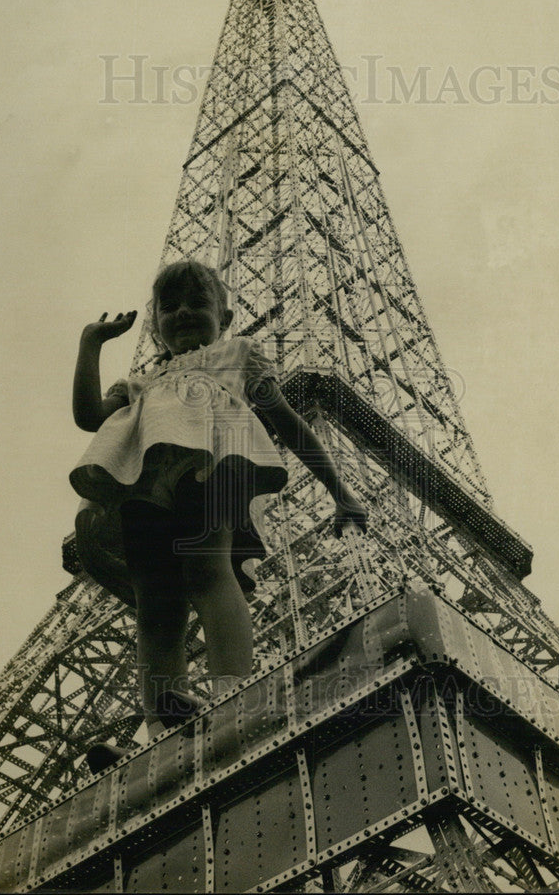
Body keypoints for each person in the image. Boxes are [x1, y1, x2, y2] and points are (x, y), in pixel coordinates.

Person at [70, 259, 367, 772]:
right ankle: (162, 730)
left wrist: (341, 491)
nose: (183, 312)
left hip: (216, 460)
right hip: (142, 479)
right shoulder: (140, 382)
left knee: (209, 569)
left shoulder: (237, 355)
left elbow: (288, 422)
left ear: (225, 317)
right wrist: (90, 343)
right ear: (155, 322)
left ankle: (234, 695)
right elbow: (87, 416)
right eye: (170, 306)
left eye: (199, 304)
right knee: (154, 602)